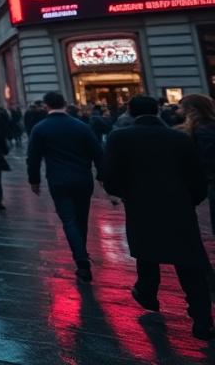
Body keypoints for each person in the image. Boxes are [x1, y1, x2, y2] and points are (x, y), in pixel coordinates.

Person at [102, 94, 213, 340]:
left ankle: (147, 293)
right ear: (158, 109)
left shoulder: (119, 137)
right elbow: (197, 177)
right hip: (179, 207)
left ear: (129, 110)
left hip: (141, 206)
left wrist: (125, 193)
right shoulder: (179, 137)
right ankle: (202, 319)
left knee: (146, 253)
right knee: (189, 264)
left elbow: (109, 175)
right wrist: (189, 200)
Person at [28, 90, 103, 282]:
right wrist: (103, 176)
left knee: (69, 221)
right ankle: (82, 253)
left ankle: (81, 260)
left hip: (58, 180)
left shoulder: (40, 128)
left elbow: (33, 158)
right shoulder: (81, 126)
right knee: (81, 219)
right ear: (65, 103)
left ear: (46, 106)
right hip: (82, 178)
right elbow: (98, 153)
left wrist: (34, 180)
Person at [182, 94, 215, 236]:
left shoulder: (202, 128)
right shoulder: (205, 126)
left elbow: (208, 156)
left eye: (181, 107)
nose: (178, 111)